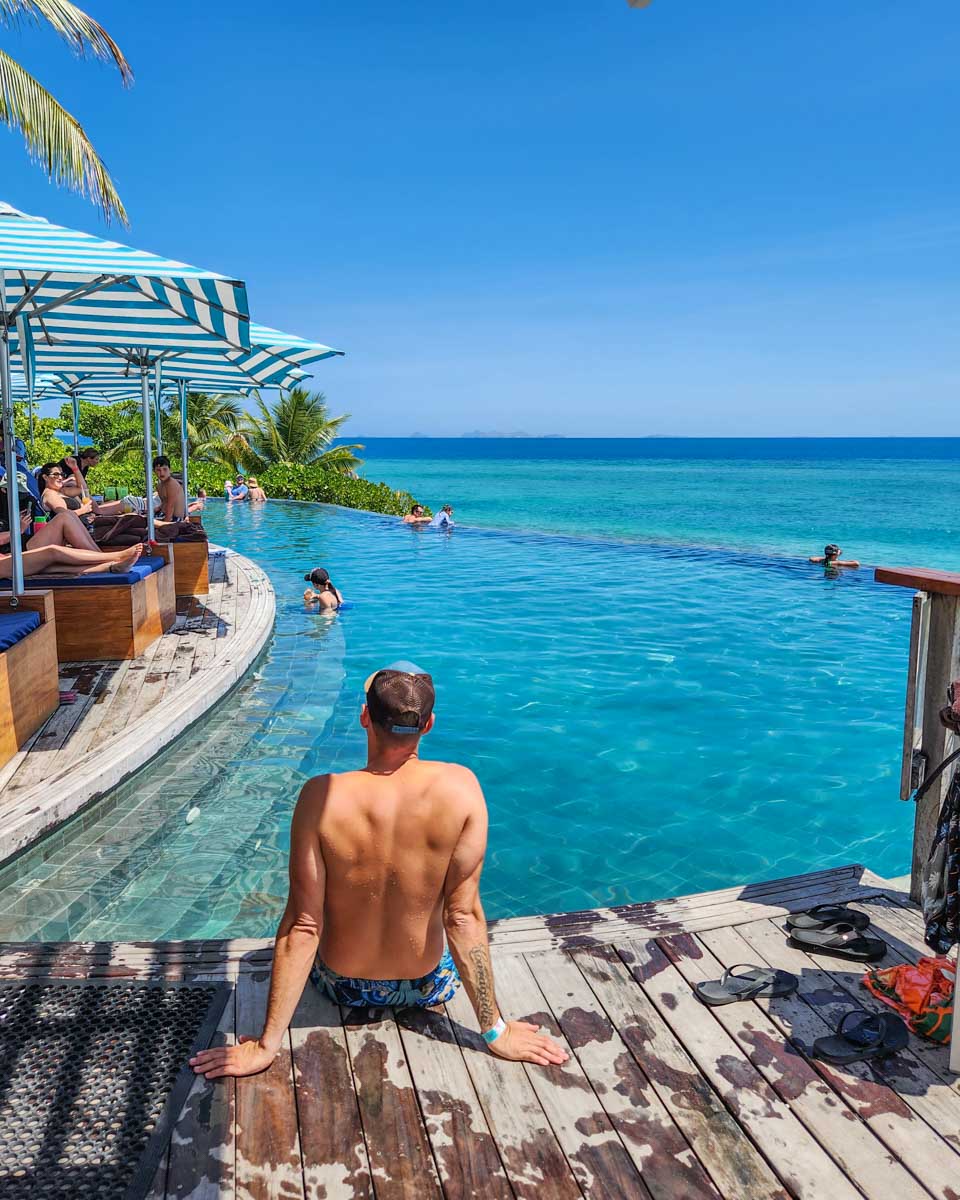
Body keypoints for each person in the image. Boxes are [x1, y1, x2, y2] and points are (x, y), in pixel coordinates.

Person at [190, 661, 569, 1081]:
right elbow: (462, 917)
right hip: (427, 985)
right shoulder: (462, 788)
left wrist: (265, 1047)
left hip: (342, 985)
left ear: (365, 717)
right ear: (428, 727)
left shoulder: (320, 797)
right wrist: (496, 1030)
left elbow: (303, 925)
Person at [0, 479, 144, 577]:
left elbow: (81, 489)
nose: (60, 478)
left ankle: (112, 566)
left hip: (16, 551)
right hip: (12, 554)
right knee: (53, 552)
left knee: (54, 566)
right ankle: (114, 557)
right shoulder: (50, 494)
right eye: (55, 474)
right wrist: (17, 530)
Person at [153, 456, 187, 521]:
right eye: (158, 470)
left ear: (170, 470)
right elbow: (165, 502)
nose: (162, 473)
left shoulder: (171, 484)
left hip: (174, 519)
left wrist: (165, 524)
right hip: (163, 515)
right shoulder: (159, 486)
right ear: (154, 471)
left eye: (165, 469)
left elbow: (170, 506)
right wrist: (158, 508)